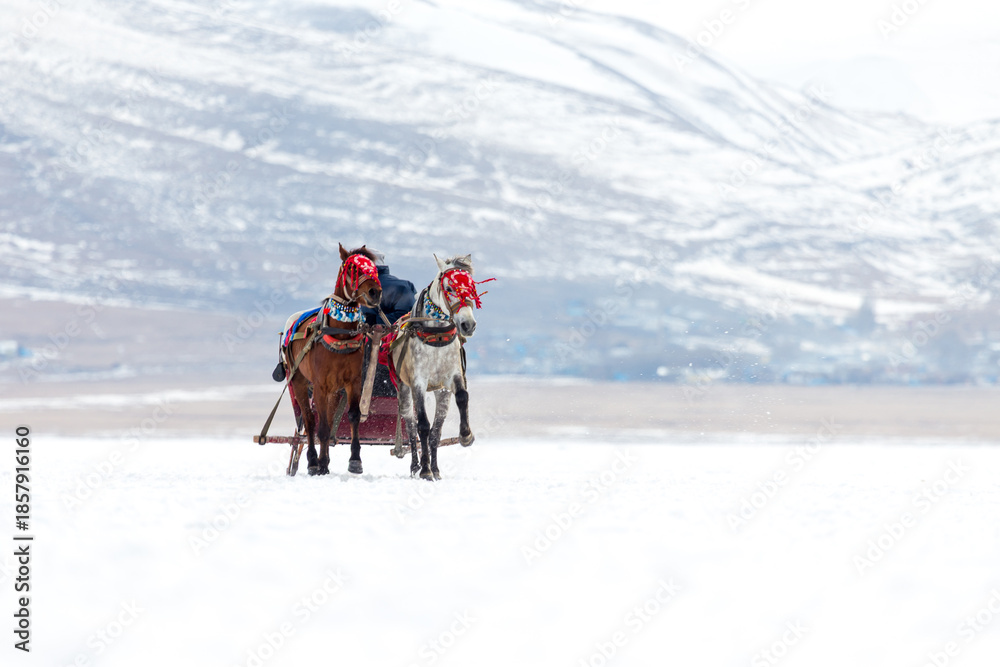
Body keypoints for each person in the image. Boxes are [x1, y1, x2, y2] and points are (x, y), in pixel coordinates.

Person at [360, 250, 416, 397]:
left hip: (366, 353)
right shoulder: (404, 286)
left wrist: (373, 323)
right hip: (399, 355)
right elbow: (408, 316)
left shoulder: (356, 288)